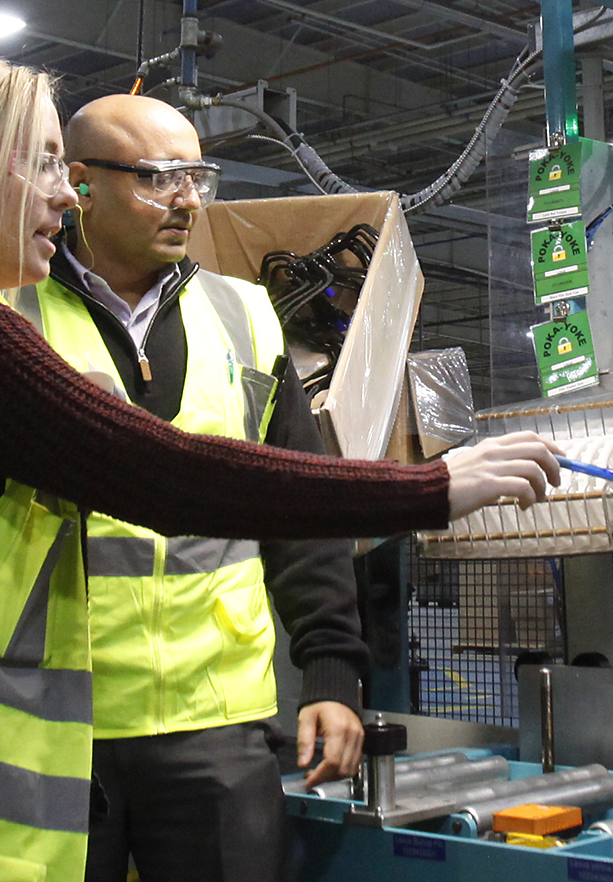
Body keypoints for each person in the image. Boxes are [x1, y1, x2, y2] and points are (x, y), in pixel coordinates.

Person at [0, 54, 560, 882]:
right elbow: (161, 474)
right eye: (45, 167)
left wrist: (331, 665)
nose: (61, 194)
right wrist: (436, 485)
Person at [21, 93, 365, 881]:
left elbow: (302, 508)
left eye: (196, 177)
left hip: (216, 725)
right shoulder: (10, 313)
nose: (187, 200)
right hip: (54, 720)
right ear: (81, 184)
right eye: (158, 178)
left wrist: (331, 673)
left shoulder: (244, 316)